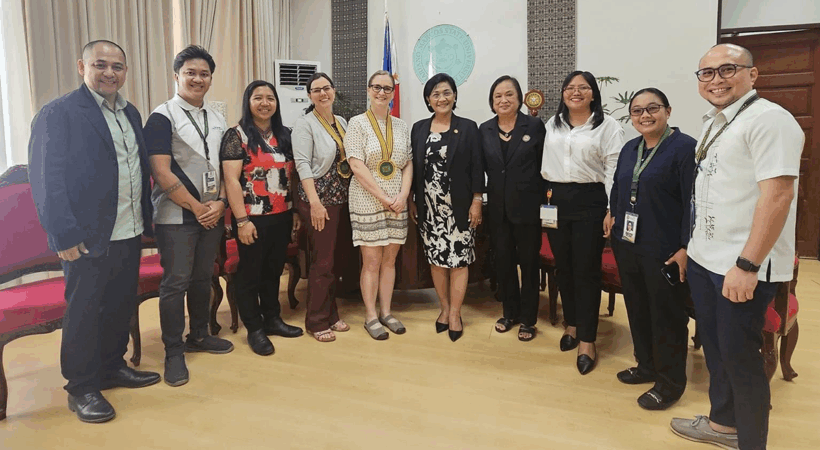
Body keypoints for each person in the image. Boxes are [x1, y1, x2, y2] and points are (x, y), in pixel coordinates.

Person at [670, 44, 803, 450]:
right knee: (717, 349)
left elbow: (778, 196)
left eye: (727, 69)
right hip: (707, 259)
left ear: (753, 74)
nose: (716, 80)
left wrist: (747, 264)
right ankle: (723, 424)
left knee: (742, 359)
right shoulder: (716, 122)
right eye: (706, 73)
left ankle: (751, 442)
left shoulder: (770, 121)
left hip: (741, 266)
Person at [28, 40, 160, 423]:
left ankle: (111, 366)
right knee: (84, 311)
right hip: (85, 235)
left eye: (117, 66)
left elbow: (135, 168)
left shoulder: (130, 112)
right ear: (81, 66)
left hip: (128, 228)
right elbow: (46, 179)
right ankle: (82, 387)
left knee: (119, 303)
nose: (109, 73)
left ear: (125, 71)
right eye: (100, 65)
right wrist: (63, 235)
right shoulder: (60, 113)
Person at [143, 45, 233, 387]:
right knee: (175, 282)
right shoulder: (161, 116)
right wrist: (197, 208)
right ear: (177, 76)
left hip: (212, 211)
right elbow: (161, 173)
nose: (198, 79)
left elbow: (226, 167)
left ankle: (199, 334)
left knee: (201, 278)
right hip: (177, 215)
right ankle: (173, 351)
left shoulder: (217, 116)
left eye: (204, 73)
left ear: (211, 78)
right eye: (191, 73)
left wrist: (221, 203)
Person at [604, 88, 695, 410]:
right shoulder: (631, 148)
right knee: (638, 308)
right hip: (628, 243)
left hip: (665, 248)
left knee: (667, 315)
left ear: (668, 111)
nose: (645, 115)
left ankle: (670, 383)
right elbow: (618, 186)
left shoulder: (685, 149)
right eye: (637, 111)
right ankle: (646, 366)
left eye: (652, 108)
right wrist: (612, 213)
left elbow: (692, 202)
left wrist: (686, 247)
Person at [541, 70, 624, 374]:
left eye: (583, 88)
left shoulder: (607, 126)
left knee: (586, 271)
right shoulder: (553, 124)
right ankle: (572, 324)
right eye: (570, 88)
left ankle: (588, 339)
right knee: (563, 267)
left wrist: (611, 208)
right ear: (562, 92)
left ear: (593, 94)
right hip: (555, 200)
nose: (576, 92)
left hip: (591, 200)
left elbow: (614, 168)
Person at [220, 80, 304, 356]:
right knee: (250, 274)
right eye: (258, 98)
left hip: (280, 216)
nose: (265, 103)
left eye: (270, 98)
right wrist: (241, 221)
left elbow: (291, 177)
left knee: (273, 270)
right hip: (251, 218)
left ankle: (273, 319)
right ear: (248, 101)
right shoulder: (237, 135)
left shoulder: (285, 135)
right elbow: (231, 181)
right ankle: (254, 327)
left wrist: (293, 212)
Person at [409, 73, 484, 342]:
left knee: (459, 261)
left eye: (446, 92)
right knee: (437, 259)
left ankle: (455, 313)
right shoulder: (418, 128)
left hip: (460, 207)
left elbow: (478, 166)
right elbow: (412, 169)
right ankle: (443, 308)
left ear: (454, 96)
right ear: (428, 100)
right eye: (436, 94)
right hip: (429, 207)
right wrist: (411, 201)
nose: (442, 98)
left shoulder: (468, 127)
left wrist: (477, 201)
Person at [344, 70, 413, 340]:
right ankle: (371, 316)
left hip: (397, 200)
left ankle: (386, 311)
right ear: (368, 90)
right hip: (367, 199)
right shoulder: (357, 123)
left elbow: (407, 164)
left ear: (393, 93)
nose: (382, 92)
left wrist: (403, 195)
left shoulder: (402, 126)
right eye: (377, 87)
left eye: (387, 88)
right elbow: (356, 166)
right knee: (371, 261)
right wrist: (384, 198)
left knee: (390, 260)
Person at [480, 75, 546, 342]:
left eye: (509, 94)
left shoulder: (535, 125)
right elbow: (478, 168)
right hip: (497, 208)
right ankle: (510, 312)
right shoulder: (484, 129)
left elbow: (545, 167)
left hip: (529, 208)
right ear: (492, 102)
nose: (503, 100)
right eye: (498, 96)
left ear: (519, 98)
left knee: (529, 264)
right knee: (504, 262)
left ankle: (529, 319)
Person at [292, 72, 355, 343]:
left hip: (341, 198)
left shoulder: (341, 121)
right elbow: (302, 165)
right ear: (309, 96)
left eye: (326, 88)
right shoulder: (304, 124)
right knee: (322, 262)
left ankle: (331, 313)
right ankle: (316, 320)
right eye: (316, 90)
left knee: (335, 260)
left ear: (334, 90)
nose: (322, 93)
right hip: (319, 201)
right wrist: (315, 204)